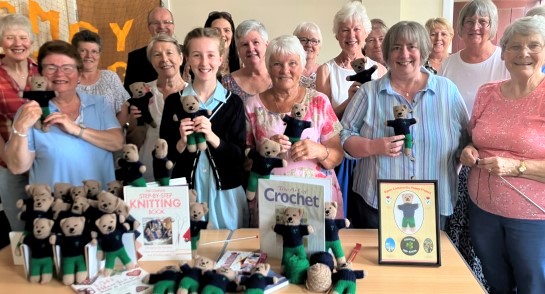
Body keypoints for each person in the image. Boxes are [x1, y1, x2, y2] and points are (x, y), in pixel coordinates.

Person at [340, 21, 468, 230]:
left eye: (412, 46)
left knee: (426, 262)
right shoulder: (368, 92)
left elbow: (466, 140)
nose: (404, 54)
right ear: (387, 54)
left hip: (433, 205)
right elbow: (344, 136)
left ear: (424, 51)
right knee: (377, 262)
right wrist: (374, 146)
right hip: (377, 204)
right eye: (396, 47)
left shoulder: (447, 91)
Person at [460, 16, 545, 293]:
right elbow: (473, 139)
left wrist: (515, 167)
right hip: (482, 211)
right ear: (504, 53)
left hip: (531, 217)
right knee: (495, 282)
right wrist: (468, 150)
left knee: (533, 285)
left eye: (534, 45)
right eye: (515, 46)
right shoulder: (487, 93)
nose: (524, 53)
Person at [245, 35, 344, 227]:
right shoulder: (251, 106)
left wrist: (319, 150)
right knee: (273, 253)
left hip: (316, 200)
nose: (285, 70)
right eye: (277, 64)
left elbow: (338, 155)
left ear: (302, 65)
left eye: (292, 63)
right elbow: (245, 163)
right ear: (268, 67)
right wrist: (265, 151)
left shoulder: (320, 101)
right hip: (272, 199)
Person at [4, 40, 123, 189]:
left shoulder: (99, 104)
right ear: (40, 74)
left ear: (79, 74)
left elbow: (117, 142)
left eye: (68, 68)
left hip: (100, 205)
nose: (59, 74)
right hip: (53, 208)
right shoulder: (29, 111)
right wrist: (20, 128)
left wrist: (77, 130)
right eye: (51, 68)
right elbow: (17, 167)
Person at [160, 28, 247, 230]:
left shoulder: (233, 103)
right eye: (197, 55)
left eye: (210, 55)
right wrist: (181, 142)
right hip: (185, 194)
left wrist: (213, 137)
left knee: (227, 254)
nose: (204, 62)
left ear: (221, 58)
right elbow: (163, 160)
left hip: (225, 195)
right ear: (187, 59)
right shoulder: (174, 102)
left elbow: (239, 157)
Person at [129, 34, 187, 182]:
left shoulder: (193, 94)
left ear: (180, 58)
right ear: (151, 61)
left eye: (169, 53)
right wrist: (133, 122)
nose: (164, 59)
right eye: (157, 54)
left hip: (185, 166)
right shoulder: (142, 91)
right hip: (149, 167)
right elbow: (132, 138)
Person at [316, 1, 386, 119]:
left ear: (365, 33)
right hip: (339, 137)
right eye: (345, 30)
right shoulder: (325, 71)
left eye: (357, 29)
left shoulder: (380, 70)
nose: (351, 35)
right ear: (337, 35)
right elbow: (323, 121)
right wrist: (349, 101)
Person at [0, 14, 38, 231]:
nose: (18, 44)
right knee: (21, 229)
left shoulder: (43, 70)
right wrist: (6, 157)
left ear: (31, 42)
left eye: (23, 37)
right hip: (10, 164)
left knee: (48, 224)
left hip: (43, 162)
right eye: (10, 37)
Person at [439, 0, 509, 116]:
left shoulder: (506, 60)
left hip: (493, 133)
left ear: (492, 26)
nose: (475, 27)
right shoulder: (448, 64)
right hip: (456, 132)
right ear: (461, 26)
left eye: (483, 21)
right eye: (469, 22)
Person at [71, 30, 130, 124]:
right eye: (83, 51)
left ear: (99, 54)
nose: (89, 56)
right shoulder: (67, 80)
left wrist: (114, 135)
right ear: (74, 53)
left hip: (110, 136)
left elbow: (122, 111)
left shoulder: (110, 77)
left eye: (94, 51)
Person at [123, 7, 182, 92]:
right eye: (156, 23)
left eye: (166, 22)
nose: (161, 26)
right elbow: (129, 93)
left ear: (173, 26)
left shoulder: (188, 52)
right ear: (149, 27)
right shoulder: (135, 57)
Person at [222, 19, 271, 102]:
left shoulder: (279, 77)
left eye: (256, 42)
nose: (251, 49)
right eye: (244, 44)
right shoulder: (227, 82)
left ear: (267, 45)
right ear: (238, 50)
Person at [204, 11, 240, 78]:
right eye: (216, 30)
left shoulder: (242, 60)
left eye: (226, 30)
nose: (222, 34)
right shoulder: (200, 60)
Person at [293, 21, 323, 89]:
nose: (309, 44)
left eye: (314, 41)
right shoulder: (288, 70)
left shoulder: (325, 71)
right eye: (303, 40)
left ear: (319, 46)